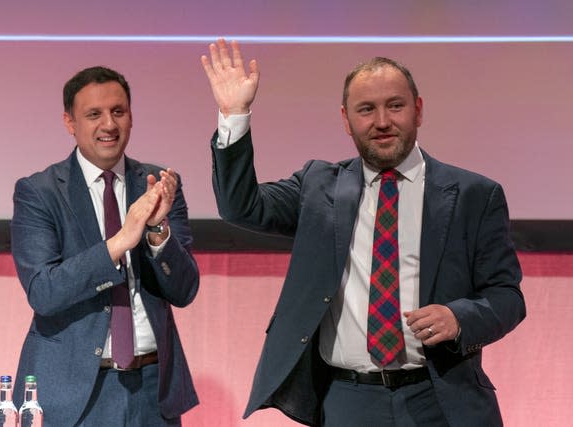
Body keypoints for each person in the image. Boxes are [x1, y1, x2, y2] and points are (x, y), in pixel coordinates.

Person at [201, 39, 526, 426]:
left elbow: (507, 297)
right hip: (347, 401)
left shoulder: (474, 195)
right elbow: (242, 207)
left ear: (418, 110)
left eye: (395, 105)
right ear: (346, 119)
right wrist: (234, 114)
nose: (382, 121)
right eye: (366, 109)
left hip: (441, 398)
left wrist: (459, 318)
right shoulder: (319, 186)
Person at [10, 66, 199, 426]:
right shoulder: (40, 192)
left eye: (118, 111)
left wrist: (158, 231)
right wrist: (118, 243)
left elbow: (185, 289)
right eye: (93, 114)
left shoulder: (157, 185)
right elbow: (44, 292)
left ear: (131, 116)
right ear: (70, 122)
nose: (109, 124)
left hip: (152, 389)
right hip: (75, 392)